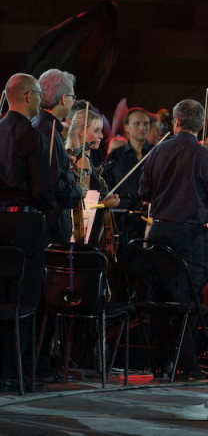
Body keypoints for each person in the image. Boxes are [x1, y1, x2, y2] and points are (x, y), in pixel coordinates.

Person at [138, 99, 208, 378]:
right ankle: (187, 365)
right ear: (200, 126)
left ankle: (161, 363)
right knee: (188, 299)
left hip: (160, 232)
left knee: (159, 298)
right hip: (190, 237)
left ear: (175, 122)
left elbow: (145, 192)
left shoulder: (157, 151)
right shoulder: (206, 157)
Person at [0, 73, 56, 391]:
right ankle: (18, 374)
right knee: (25, 301)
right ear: (26, 95)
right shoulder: (32, 136)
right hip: (25, 223)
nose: (40, 100)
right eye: (37, 94)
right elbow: (43, 190)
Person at [31, 69, 85, 245]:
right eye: (72, 97)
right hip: (51, 224)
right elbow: (52, 183)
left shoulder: (40, 124)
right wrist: (78, 191)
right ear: (63, 98)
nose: (72, 102)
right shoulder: (48, 129)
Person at [65, 109, 121, 241]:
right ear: (81, 132)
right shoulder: (82, 161)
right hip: (85, 232)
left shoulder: (71, 156)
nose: (101, 136)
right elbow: (85, 207)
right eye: (96, 131)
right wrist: (107, 203)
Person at [104, 107, 153, 249]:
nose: (142, 127)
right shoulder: (116, 155)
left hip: (147, 220)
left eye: (146, 124)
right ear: (126, 127)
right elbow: (108, 186)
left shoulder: (156, 154)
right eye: (137, 124)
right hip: (121, 221)